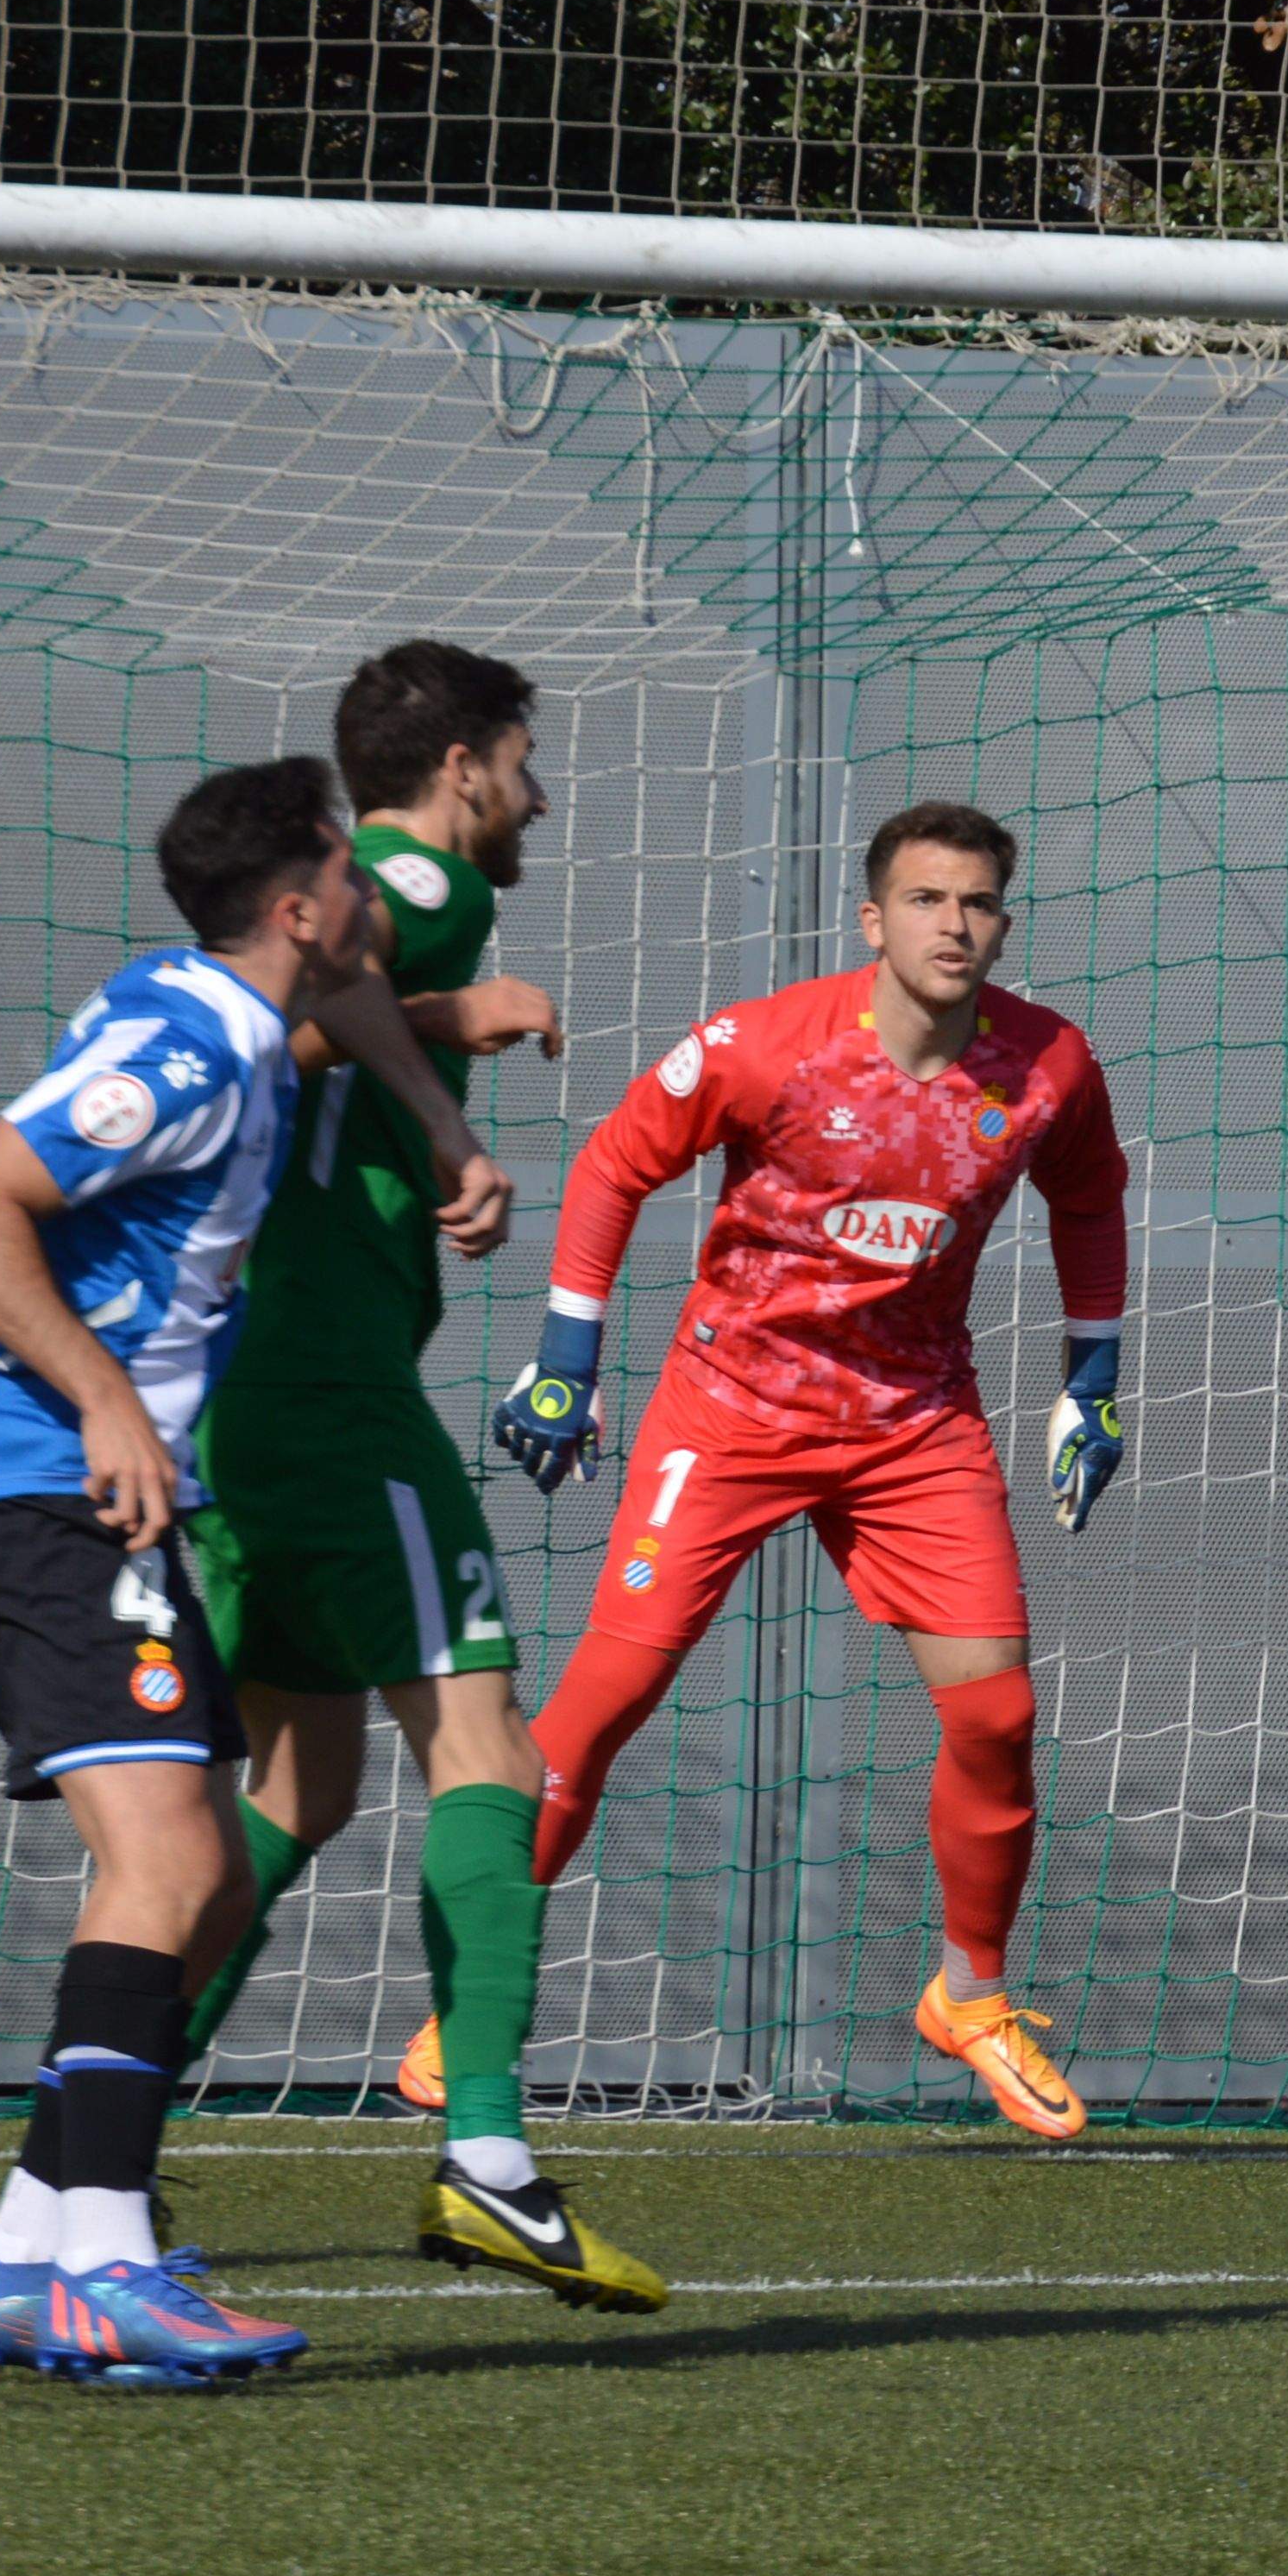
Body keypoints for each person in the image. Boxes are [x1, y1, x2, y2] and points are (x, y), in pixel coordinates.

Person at [0, 756, 456, 2384]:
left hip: (97, 1502)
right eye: (349, 876)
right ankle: (107, 2261)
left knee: (205, 1873)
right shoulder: (193, 1048)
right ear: (297, 909)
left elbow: (345, 1004)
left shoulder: (221, 1006)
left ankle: (27, 2256)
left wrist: (442, 1111)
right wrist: (102, 1403)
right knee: (164, 1867)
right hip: (43, 1492)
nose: (371, 897)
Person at [484, 798, 1130, 2139]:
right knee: (604, 1701)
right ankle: (475, 1995)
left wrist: (1093, 1379)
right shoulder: (765, 1045)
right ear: (873, 919)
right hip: (729, 1411)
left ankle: (969, 1995)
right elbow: (612, 1167)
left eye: (978, 903)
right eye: (927, 900)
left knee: (999, 1717)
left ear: (1004, 922)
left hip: (914, 1424)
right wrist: (566, 1359)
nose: (954, 925)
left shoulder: (1049, 1064)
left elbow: (1089, 1199)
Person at [175, 641, 659, 2311]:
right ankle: (493, 2163)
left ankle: (101, 2128)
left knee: (299, 1788)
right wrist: (465, 1025)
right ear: (464, 768)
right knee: (490, 1747)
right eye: (523, 763)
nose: (539, 798)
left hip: (263, 1388)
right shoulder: (415, 880)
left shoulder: (382, 885)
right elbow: (282, 1014)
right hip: (330, 1388)